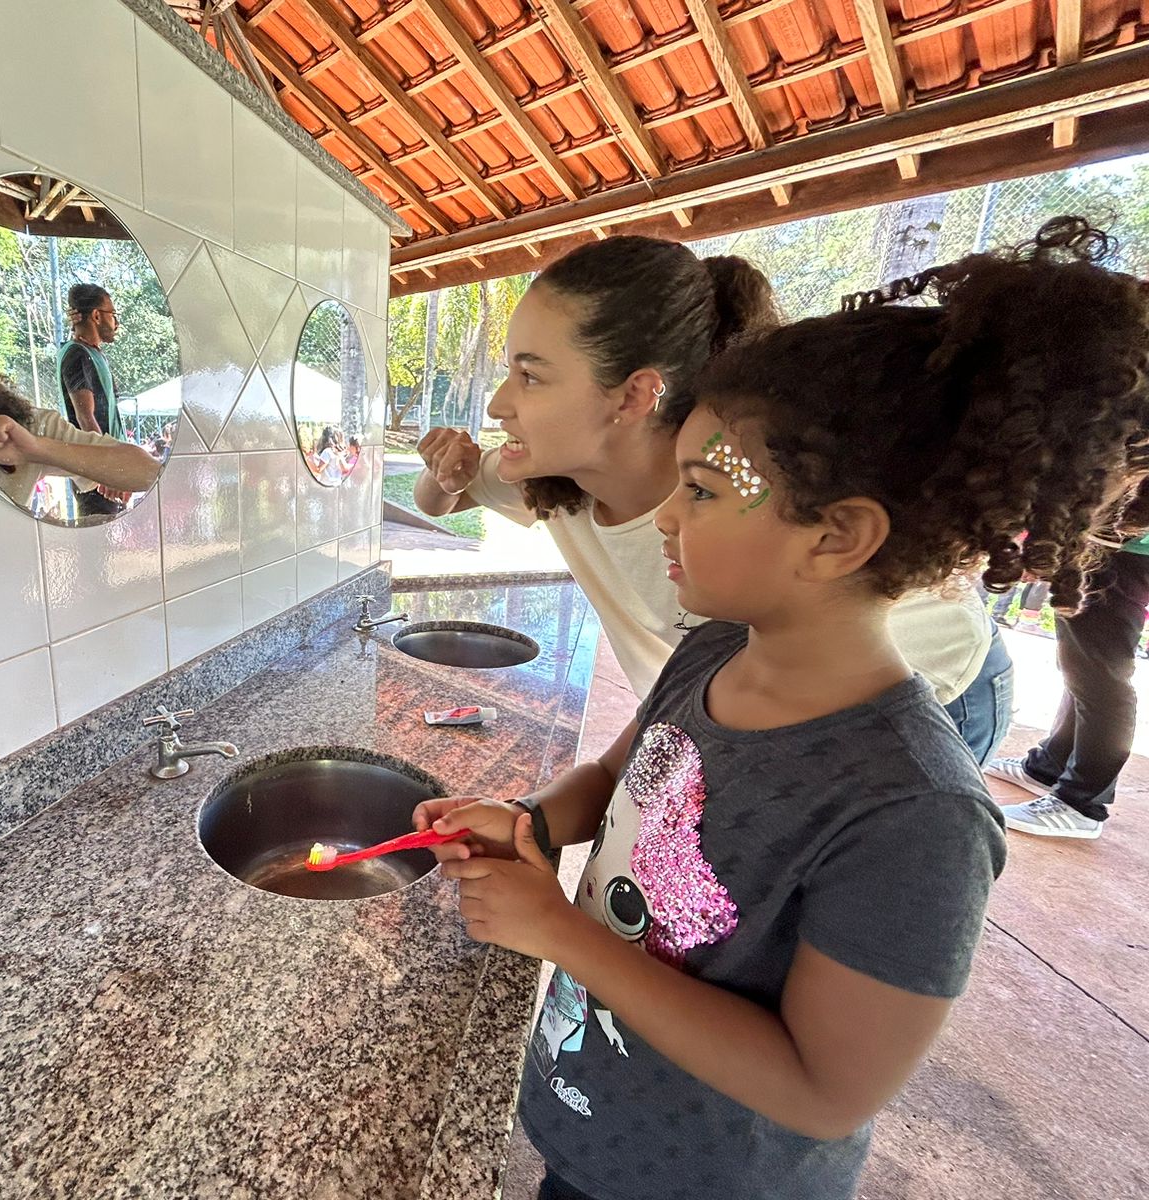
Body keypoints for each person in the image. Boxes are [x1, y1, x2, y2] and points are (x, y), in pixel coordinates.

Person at [415, 217, 1149, 1200]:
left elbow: (822, 1089)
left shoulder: (916, 813)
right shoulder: (713, 649)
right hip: (595, 1119)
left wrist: (561, 931)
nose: (666, 518)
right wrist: (530, 824)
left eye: (702, 490)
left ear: (836, 536)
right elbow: (618, 776)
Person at [414, 236, 1013, 764]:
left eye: (530, 375)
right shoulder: (561, 480)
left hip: (930, 682)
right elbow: (438, 500)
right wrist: (446, 471)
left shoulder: (751, 494)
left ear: (634, 395)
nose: (498, 404)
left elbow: (897, 645)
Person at [985, 536, 1149, 838]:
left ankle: (1081, 803)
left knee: (1101, 674)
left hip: (1127, 546)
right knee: (1079, 663)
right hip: (1108, 544)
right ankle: (1050, 766)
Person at [0, 311, 160, 511]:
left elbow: (147, 471)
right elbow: (85, 414)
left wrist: (35, 449)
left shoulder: (22, 428)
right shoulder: (76, 355)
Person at [58, 283, 126, 439]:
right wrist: (106, 452)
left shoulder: (93, 353)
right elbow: (85, 418)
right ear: (96, 316)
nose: (116, 323)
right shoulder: (76, 354)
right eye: (112, 314)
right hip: (103, 452)